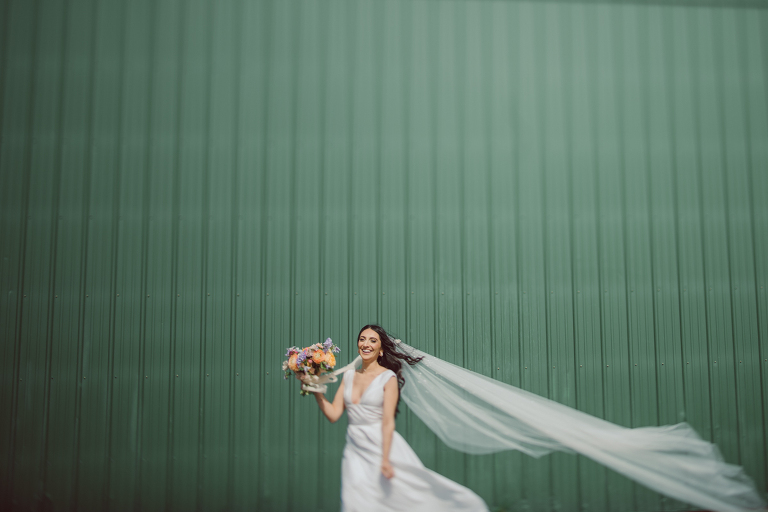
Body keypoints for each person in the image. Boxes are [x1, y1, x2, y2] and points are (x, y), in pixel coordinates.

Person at [305, 324, 489, 512]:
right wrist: (315, 389)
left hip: (383, 447)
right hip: (355, 450)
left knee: (407, 499)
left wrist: (385, 460)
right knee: (355, 503)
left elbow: (387, 422)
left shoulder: (388, 378)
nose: (366, 344)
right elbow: (334, 414)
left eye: (372, 340)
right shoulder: (349, 376)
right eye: (362, 339)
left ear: (381, 350)